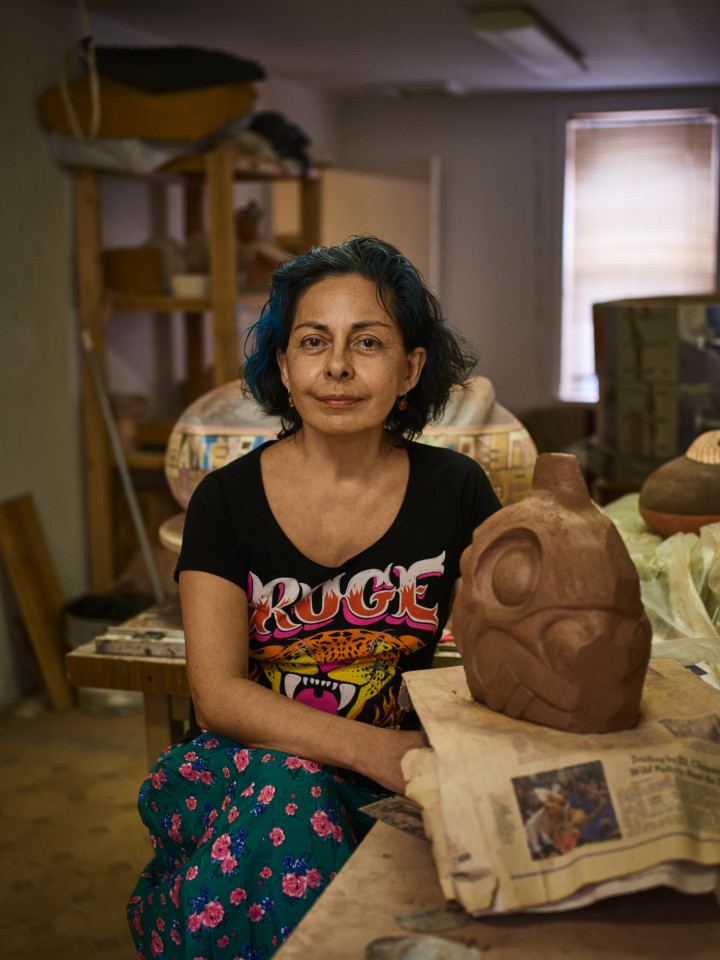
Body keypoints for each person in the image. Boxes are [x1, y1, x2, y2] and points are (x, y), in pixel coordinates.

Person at [127, 235, 502, 959]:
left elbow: (501, 650)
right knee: (292, 788)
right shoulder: (224, 502)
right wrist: (380, 751)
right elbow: (218, 696)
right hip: (249, 776)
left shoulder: (457, 493)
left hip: (397, 780)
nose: (337, 366)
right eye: (312, 341)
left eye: (367, 342)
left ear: (409, 369)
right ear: (283, 368)